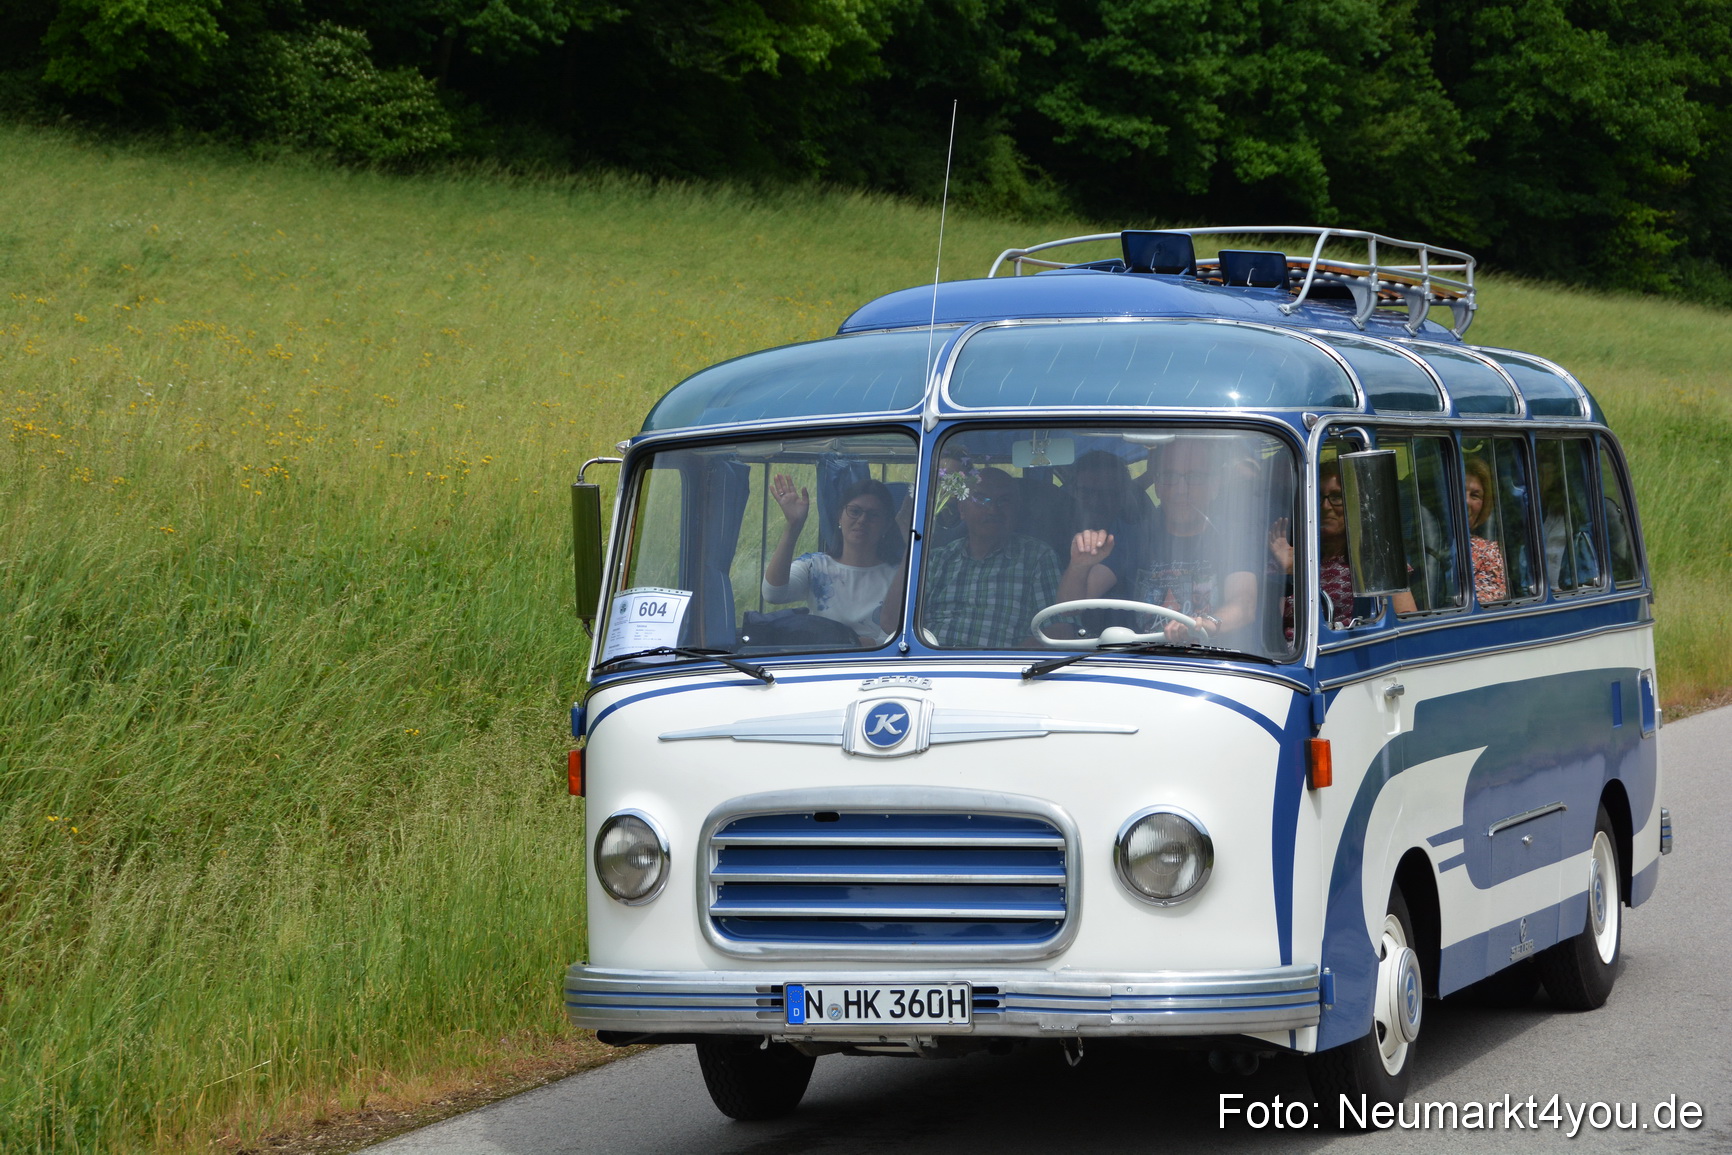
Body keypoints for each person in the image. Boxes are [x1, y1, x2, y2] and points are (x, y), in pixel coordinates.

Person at [1060, 438, 1256, 643]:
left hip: (1212, 665)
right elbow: (1070, 608)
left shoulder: (1232, 537)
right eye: (1170, 477)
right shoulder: (1131, 537)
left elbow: (1244, 605)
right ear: (1158, 486)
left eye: (1194, 477)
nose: (1181, 489)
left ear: (1215, 485)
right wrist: (1079, 567)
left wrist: (1204, 624)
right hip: (1146, 664)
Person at [919, 467, 1064, 648]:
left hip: (1002, 669)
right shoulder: (937, 559)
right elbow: (892, 622)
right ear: (961, 508)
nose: (993, 510)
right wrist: (912, 541)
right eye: (981, 499)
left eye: (1004, 501)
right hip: (930, 663)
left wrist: (1007, 666)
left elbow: (1058, 630)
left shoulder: (1038, 557)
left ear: (1017, 509)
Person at [1268, 462, 1417, 631]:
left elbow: (1406, 622)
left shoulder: (1378, 560)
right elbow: (1267, 627)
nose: (1325, 507)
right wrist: (1287, 574)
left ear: (1355, 505)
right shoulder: (1289, 555)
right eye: (1318, 497)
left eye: (1336, 497)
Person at [761, 475, 903, 645]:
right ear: (839, 517)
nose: (862, 520)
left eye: (873, 515)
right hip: (823, 664)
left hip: (876, 665)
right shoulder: (815, 565)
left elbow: (897, 640)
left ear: (887, 524)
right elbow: (773, 593)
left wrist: (849, 643)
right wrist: (794, 525)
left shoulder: (899, 575)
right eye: (854, 511)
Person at [1464, 455, 1508, 602]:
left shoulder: (1488, 553)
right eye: (1458, 491)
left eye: (1475, 496)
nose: (1466, 501)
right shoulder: (1416, 546)